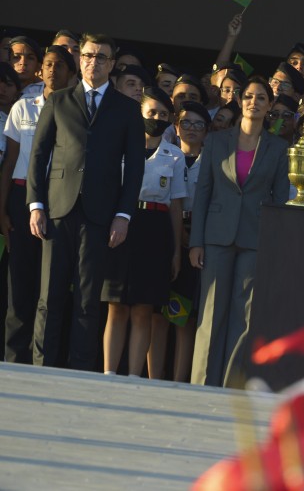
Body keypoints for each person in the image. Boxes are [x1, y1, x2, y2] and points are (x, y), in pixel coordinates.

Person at [27, 32, 145, 370]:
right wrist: (35, 205)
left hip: (101, 215)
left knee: (88, 300)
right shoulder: (59, 100)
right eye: (89, 55)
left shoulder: (127, 109)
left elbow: (135, 167)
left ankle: (79, 374)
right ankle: (41, 370)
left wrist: (123, 214)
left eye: (102, 57)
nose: (94, 62)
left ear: (112, 63)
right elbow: (38, 156)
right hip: (57, 210)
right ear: (81, 59)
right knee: (48, 298)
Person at [189, 76, 289, 387]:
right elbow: (203, 192)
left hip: (255, 238)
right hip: (216, 235)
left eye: (261, 98)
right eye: (248, 96)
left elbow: (281, 200)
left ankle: (231, 385)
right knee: (211, 313)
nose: (254, 102)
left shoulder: (279, 147)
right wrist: (196, 242)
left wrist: (274, 246)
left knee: (243, 317)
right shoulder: (217, 141)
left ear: (270, 105)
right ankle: (202, 383)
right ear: (240, 100)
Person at [101, 86, 186, 378]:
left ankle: (135, 376)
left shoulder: (174, 155)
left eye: (163, 114)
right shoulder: (121, 144)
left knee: (142, 309)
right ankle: (109, 373)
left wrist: (175, 251)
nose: (157, 118)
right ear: (140, 112)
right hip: (122, 223)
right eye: (151, 112)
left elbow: (176, 206)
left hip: (155, 230)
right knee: (116, 305)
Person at [1, 46, 76, 363]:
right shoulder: (23, 107)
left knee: (52, 285)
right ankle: (14, 359)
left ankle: (44, 360)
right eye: (47, 64)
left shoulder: (78, 111)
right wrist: (2, 209)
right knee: (19, 284)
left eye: (60, 66)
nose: (52, 70)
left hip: (58, 199)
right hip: (19, 199)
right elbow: (11, 160)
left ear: (71, 74)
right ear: (39, 70)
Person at [170, 100, 210, 382]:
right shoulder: (167, 155)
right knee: (160, 316)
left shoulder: (212, 161)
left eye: (198, 124)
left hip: (196, 236)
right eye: (186, 123)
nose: (192, 129)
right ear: (176, 127)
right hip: (166, 233)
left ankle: (178, 379)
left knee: (185, 316)